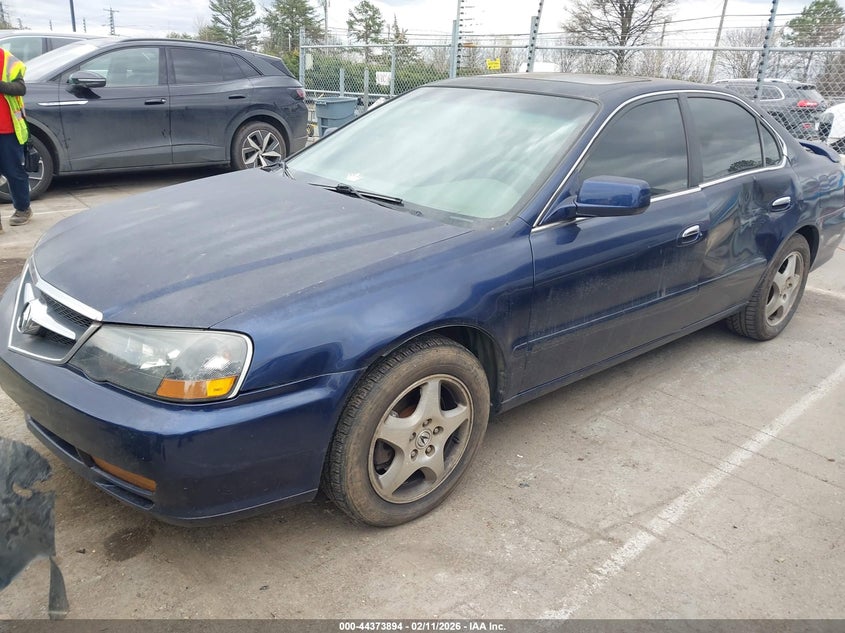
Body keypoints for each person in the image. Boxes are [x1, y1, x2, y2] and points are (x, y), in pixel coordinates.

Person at [0, 47, 31, 233]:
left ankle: (23, 209)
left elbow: (21, 88)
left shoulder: (6, 59)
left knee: (14, 172)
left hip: (7, 129)